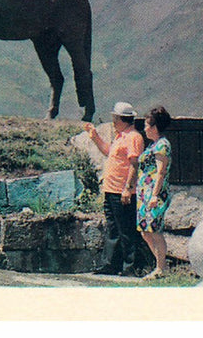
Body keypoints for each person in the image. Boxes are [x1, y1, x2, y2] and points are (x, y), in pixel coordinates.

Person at [85, 101, 147, 276]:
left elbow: (134, 164)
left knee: (126, 229)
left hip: (122, 191)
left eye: (115, 118)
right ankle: (111, 264)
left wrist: (128, 188)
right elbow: (109, 152)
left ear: (123, 119)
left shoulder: (134, 137)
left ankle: (131, 266)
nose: (113, 122)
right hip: (111, 190)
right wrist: (95, 136)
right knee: (113, 228)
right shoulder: (120, 136)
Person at [136, 106, 174, 279]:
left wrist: (154, 195)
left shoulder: (162, 145)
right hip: (145, 193)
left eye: (147, 125)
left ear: (155, 126)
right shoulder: (153, 145)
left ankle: (161, 268)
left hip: (155, 194)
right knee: (145, 230)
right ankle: (161, 265)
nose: (144, 129)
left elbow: (160, 172)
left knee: (155, 229)